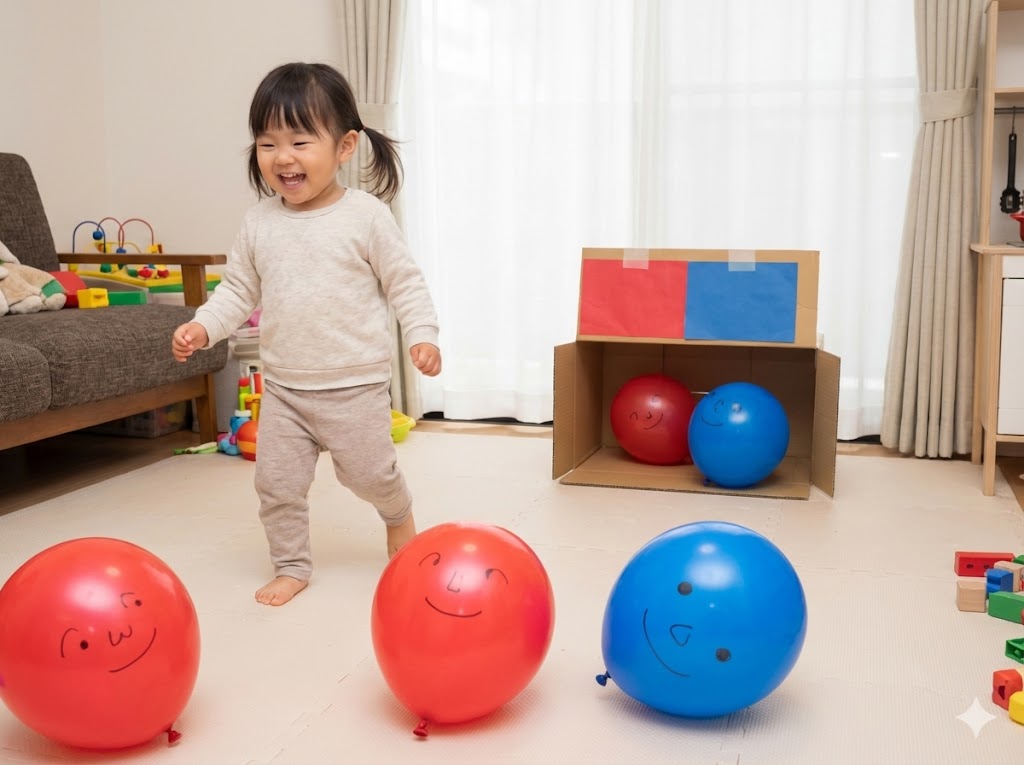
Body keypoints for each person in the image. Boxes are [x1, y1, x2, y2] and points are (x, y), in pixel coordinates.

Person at [172, 62, 441, 606]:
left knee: (368, 476)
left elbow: (405, 283)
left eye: (299, 141)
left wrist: (422, 334)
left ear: (345, 146)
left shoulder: (365, 216)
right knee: (276, 486)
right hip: (286, 390)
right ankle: (291, 565)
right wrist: (203, 326)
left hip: (354, 386)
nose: (282, 157)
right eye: (267, 144)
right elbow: (237, 291)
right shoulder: (259, 222)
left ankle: (398, 513)